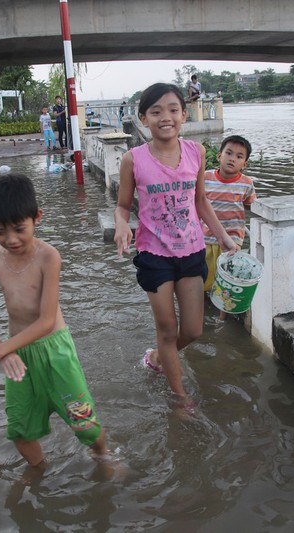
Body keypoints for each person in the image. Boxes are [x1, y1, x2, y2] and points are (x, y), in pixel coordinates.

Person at [0, 174, 111, 467]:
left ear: (36, 217)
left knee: (83, 421)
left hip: (55, 351)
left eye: (18, 229)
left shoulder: (48, 257)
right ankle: (39, 472)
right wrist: (4, 352)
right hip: (16, 354)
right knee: (19, 428)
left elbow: (46, 320)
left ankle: (105, 456)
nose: (10, 240)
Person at [113, 83, 239, 410]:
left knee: (194, 330)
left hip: (191, 250)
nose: (165, 117)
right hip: (154, 255)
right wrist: (122, 224)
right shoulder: (133, 159)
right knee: (168, 330)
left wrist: (222, 236)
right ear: (143, 118)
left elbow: (200, 201)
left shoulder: (196, 152)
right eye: (155, 111)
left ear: (184, 114)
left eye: (172, 110)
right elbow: (124, 205)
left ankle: (156, 357)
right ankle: (179, 398)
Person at [202, 135, 256, 320]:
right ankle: (201, 310)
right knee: (202, 278)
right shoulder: (205, 178)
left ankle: (221, 319)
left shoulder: (246, 184)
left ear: (245, 164)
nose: (232, 158)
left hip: (232, 242)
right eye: (229, 153)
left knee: (227, 282)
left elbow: (252, 205)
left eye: (239, 156)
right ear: (219, 156)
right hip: (205, 239)